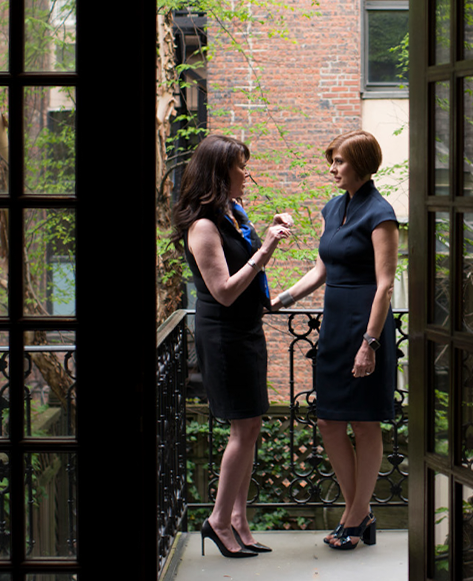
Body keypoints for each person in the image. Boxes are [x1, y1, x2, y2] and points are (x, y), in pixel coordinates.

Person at [271, 130, 398, 551]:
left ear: (360, 163)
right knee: (328, 421)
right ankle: (359, 512)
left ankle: (356, 515)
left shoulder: (381, 214)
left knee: (364, 422)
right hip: (334, 323)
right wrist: (282, 298)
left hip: (365, 324)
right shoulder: (332, 206)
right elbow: (322, 269)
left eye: (339, 161)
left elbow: (385, 286)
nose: (332, 168)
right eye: (332, 161)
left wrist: (370, 343)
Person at [172, 134, 292, 558]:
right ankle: (218, 520)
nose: (247, 173)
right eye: (241, 166)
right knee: (242, 430)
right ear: (220, 173)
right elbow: (222, 290)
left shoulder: (232, 214)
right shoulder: (203, 225)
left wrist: (265, 235)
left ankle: (238, 519)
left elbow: (245, 269)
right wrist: (267, 248)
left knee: (251, 426)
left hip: (246, 330)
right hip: (223, 335)